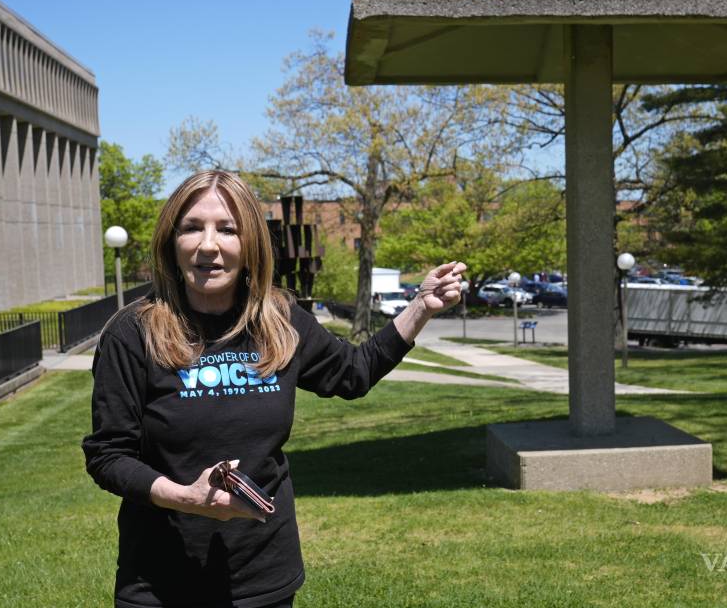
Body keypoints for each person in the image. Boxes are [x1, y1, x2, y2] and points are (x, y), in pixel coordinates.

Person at [82, 170, 466, 608]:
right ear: (172, 242)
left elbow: (354, 372)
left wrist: (421, 306)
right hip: (160, 582)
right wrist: (185, 497)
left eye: (228, 229)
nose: (209, 245)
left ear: (250, 246)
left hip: (263, 576)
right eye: (192, 228)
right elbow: (108, 455)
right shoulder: (133, 333)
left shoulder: (280, 319)